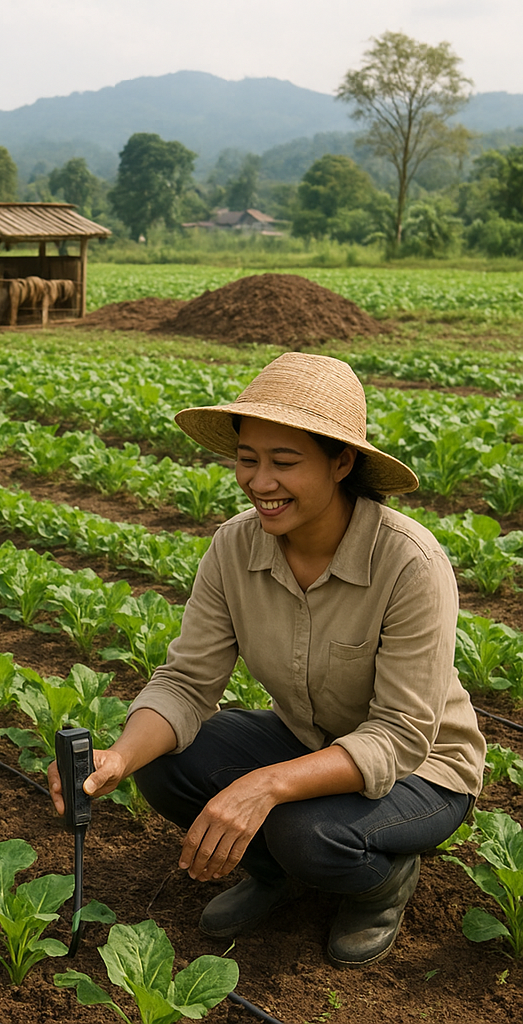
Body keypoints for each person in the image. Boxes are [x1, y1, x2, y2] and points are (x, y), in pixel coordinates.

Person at [48, 352, 485, 968]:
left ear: (341, 462)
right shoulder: (234, 546)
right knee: (165, 764)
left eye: (284, 462)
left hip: (424, 770)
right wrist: (119, 756)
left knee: (303, 830)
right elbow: (187, 682)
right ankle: (275, 874)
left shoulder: (409, 563)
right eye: (247, 459)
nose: (259, 482)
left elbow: (399, 736)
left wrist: (266, 785)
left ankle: (381, 885)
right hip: (310, 740)